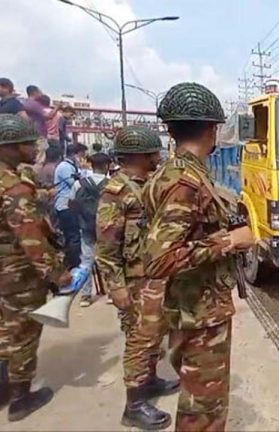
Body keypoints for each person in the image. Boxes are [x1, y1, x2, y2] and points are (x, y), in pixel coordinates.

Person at [143, 82, 256, 431]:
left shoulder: (181, 173)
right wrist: (230, 241)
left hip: (196, 307)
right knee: (202, 408)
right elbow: (159, 259)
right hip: (199, 313)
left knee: (201, 401)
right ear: (212, 129)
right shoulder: (185, 182)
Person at [96, 126, 179, 429]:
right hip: (134, 281)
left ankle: (151, 380)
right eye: (154, 153)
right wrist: (115, 286)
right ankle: (134, 404)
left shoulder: (146, 184)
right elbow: (106, 246)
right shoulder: (116, 192)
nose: (159, 157)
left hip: (153, 276)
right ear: (140, 156)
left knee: (156, 334)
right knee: (140, 338)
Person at [0, 114, 71, 422]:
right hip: (18, 276)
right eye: (28, 143)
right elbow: (31, 238)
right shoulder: (13, 188)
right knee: (22, 333)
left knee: (5, 331)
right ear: (10, 148)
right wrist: (57, 274)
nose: (33, 148)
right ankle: (20, 398)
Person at [70, 152, 110, 307]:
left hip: (86, 228)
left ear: (91, 165)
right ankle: (112, 293)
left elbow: (71, 205)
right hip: (107, 229)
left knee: (86, 262)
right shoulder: (112, 183)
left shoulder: (79, 184)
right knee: (108, 261)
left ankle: (86, 296)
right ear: (107, 166)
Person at [53, 142, 88, 269]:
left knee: (73, 235)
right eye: (81, 155)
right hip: (65, 205)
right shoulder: (64, 167)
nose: (82, 158)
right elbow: (75, 184)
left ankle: (71, 261)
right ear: (75, 154)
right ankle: (72, 264)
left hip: (71, 205)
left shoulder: (72, 166)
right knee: (73, 236)